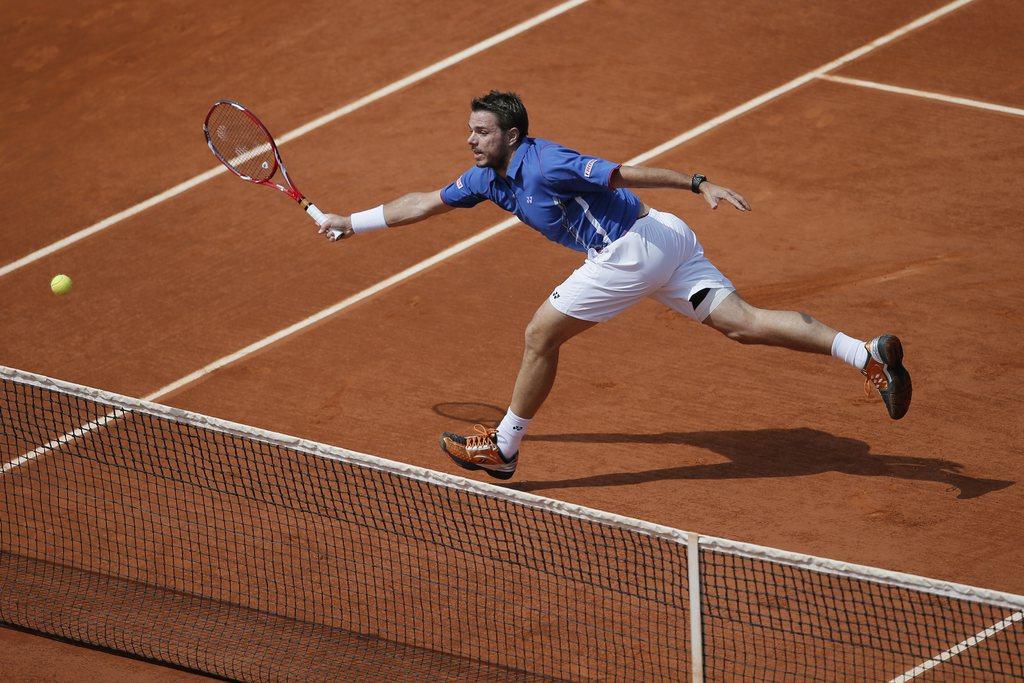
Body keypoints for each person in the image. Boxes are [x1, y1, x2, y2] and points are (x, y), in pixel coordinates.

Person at [318, 91, 911, 481]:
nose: (471, 140)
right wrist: (351, 221)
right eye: (470, 131)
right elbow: (422, 203)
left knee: (540, 335)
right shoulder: (485, 180)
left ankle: (504, 448)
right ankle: (867, 354)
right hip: (664, 241)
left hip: (630, 249)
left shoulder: (547, 162)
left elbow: (624, 172)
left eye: (481, 131)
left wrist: (698, 182)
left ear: (513, 134)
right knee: (744, 324)